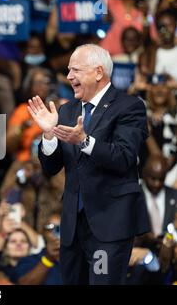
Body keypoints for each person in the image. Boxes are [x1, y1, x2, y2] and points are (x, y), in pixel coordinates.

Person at [27, 44, 150, 284]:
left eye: (76, 70)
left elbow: (124, 156)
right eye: (68, 70)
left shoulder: (129, 106)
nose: (69, 76)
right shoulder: (66, 110)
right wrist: (49, 134)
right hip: (73, 226)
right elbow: (51, 168)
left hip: (109, 225)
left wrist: (84, 141)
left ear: (98, 72)